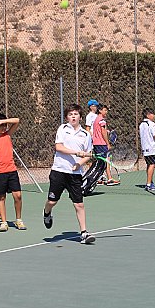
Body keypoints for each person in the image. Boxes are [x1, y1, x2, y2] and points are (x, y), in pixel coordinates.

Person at [43, 104, 96, 244]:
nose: (73, 116)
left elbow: (88, 154)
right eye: (70, 114)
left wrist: (79, 163)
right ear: (67, 117)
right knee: (52, 201)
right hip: (59, 170)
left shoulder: (86, 135)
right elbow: (58, 147)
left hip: (75, 174)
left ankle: (84, 233)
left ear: (80, 117)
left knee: (79, 204)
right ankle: (47, 212)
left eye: (76, 114)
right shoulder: (62, 128)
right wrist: (75, 152)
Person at [0, 113, 26, 232]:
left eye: (5, 125)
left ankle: (18, 220)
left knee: (17, 196)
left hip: (11, 171)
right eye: (1, 125)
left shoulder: (8, 135)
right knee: (1, 197)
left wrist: (4, 120)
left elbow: (17, 120)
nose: (4, 127)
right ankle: (3, 222)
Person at [92, 103, 119, 186]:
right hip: (101, 143)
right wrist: (108, 143)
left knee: (100, 161)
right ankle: (109, 179)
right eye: (105, 110)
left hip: (96, 143)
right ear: (100, 111)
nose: (106, 112)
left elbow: (101, 131)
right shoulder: (102, 120)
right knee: (106, 160)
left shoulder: (96, 119)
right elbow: (103, 132)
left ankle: (98, 179)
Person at [139, 108, 155, 190]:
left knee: (149, 164)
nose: (154, 115)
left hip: (145, 148)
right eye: (152, 114)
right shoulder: (152, 124)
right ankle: (149, 184)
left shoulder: (141, 124)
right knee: (152, 165)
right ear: (148, 115)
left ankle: (150, 182)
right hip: (151, 148)